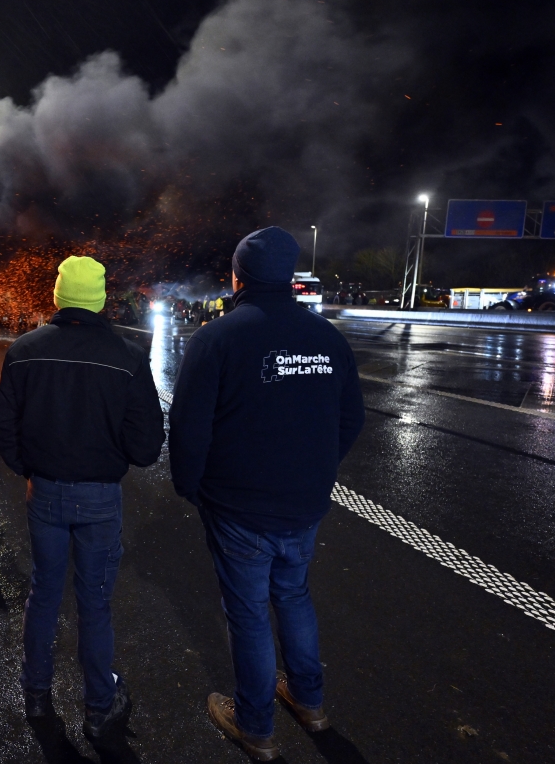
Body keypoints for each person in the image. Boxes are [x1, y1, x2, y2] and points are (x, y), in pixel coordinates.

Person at [168, 227, 365, 762]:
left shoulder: (217, 337)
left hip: (238, 504)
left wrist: (190, 484)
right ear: (290, 275)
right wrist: (316, 470)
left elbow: (188, 427)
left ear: (239, 277)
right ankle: (309, 700)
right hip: (304, 501)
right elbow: (350, 418)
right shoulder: (327, 338)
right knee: (294, 594)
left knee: (249, 611)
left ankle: (255, 725)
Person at [0, 256, 165, 741]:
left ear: (59, 295)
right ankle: (99, 707)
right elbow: (147, 446)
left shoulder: (25, 351)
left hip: (44, 491)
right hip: (100, 497)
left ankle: (36, 694)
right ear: (101, 299)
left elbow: (4, 430)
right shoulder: (128, 355)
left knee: (44, 593)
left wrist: (31, 468)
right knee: (95, 603)